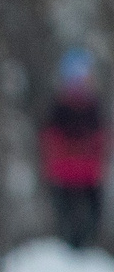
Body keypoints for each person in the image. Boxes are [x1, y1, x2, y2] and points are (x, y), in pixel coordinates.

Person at [41, 49, 106, 251]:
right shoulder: (62, 107)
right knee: (71, 220)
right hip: (70, 172)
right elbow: (51, 139)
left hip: (82, 173)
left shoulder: (91, 107)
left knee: (82, 220)